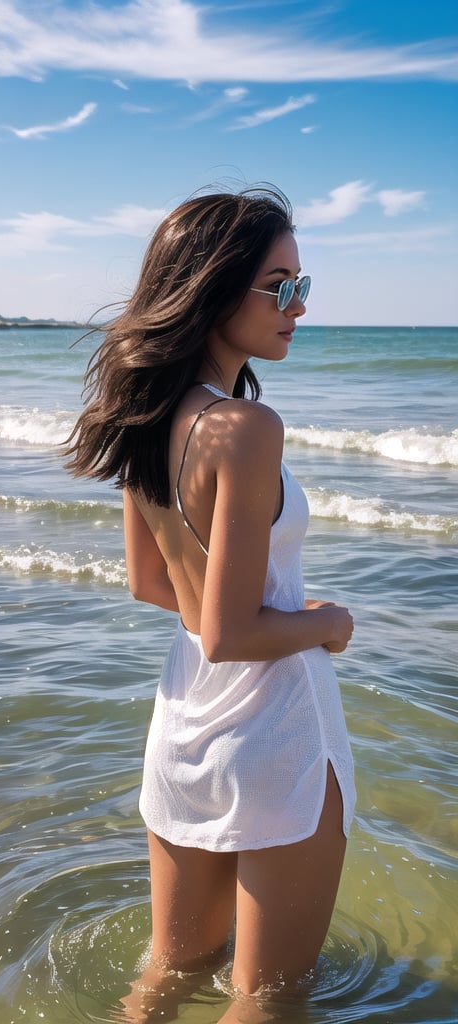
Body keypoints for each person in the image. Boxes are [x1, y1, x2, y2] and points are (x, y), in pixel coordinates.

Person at [65, 185, 356, 1009]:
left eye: (304, 286)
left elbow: (152, 584)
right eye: (282, 286)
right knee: (267, 998)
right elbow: (232, 632)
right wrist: (325, 624)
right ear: (213, 284)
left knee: (166, 976)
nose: (299, 306)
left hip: (185, 720)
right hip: (275, 735)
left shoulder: (145, 415)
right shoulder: (245, 428)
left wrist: (236, 614)